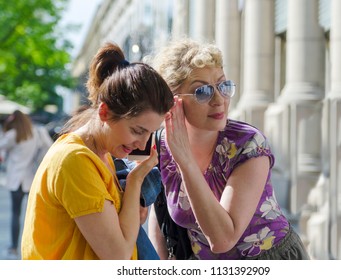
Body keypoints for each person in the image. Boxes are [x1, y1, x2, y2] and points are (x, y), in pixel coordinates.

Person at [148, 38, 310, 260]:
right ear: (172, 102)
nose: (219, 100)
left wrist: (185, 160)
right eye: (202, 91)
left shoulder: (248, 144)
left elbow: (223, 239)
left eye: (223, 86)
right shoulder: (161, 145)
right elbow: (161, 216)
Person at [21, 42, 174, 260]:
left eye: (149, 133)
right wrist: (135, 181)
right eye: (137, 130)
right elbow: (118, 256)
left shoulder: (101, 156)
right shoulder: (75, 160)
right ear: (104, 112)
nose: (142, 144)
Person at [0, 110, 39, 259]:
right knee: (34, 215)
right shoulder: (34, 133)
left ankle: (14, 248)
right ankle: (33, 246)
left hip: (16, 179)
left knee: (16, 214)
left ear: (14, 119)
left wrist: (6, 126)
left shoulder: (13, 134)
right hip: (30, 179)